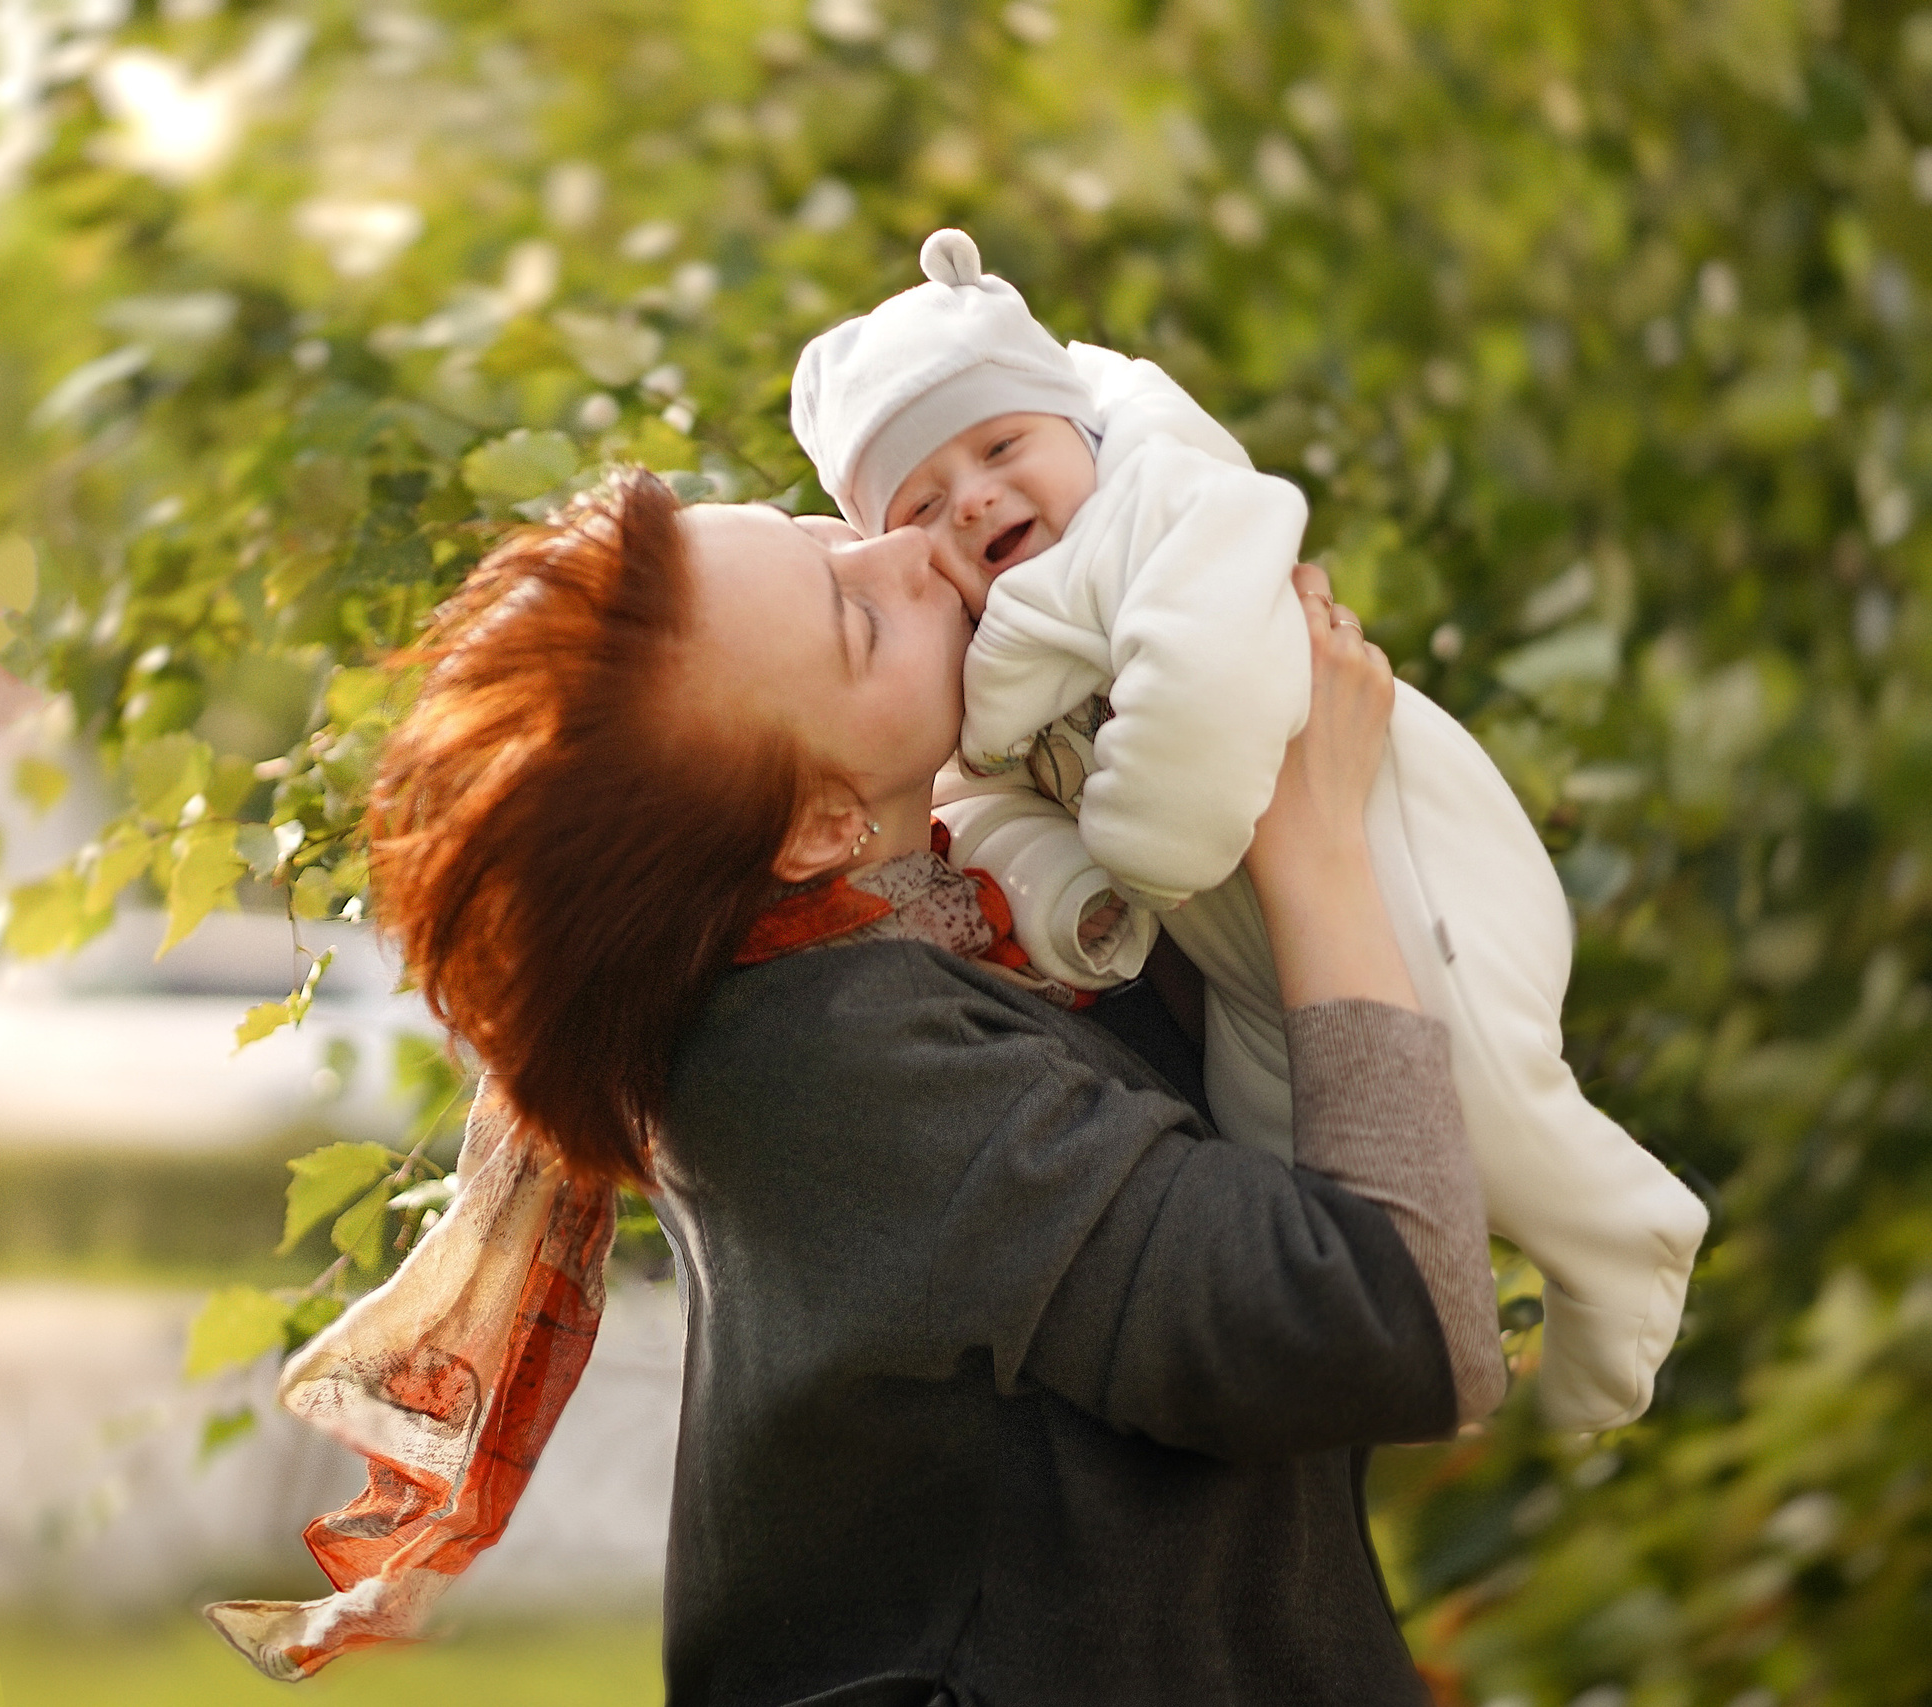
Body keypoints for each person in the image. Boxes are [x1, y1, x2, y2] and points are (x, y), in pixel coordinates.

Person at [212, 467, 1505, 1701]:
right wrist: (1312, 832)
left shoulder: (880, 948)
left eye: (815, 530)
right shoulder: (846, 1060)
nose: (903, 546)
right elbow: (1405, 1325)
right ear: (823, 823)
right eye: (857, 614)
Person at [788, 229, 1707, 1434]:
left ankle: (1621, 1237)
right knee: (1290, 1158)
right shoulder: (975, 651)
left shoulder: (1163, 508)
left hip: (1400, 861)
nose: (974, 496)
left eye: (1002, 444)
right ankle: (1438, 1332)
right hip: (1253, 957)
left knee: (1480, 1082)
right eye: (923, 500)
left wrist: (1138, 840)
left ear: (1078, 430)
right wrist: (1071, 894)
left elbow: (1213, 676)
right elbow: (980, 810)